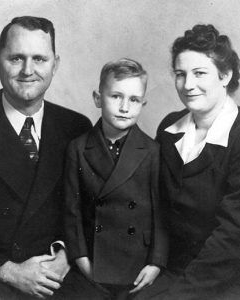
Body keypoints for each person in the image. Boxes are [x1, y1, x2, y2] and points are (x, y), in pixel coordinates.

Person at [0, 16, 106, 300]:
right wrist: (8, 270)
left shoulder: (77, 127)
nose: (27, 70)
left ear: (54, 65)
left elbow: (92, 212)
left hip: (59, 276)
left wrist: (66, 256)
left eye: (39, 59)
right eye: (16, 58)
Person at [156, 24, 240, 299]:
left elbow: (235, 235)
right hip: (173, 269)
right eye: (180, 74)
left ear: (225, 75)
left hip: (234, 278)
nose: (188, 85)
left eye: (200, 73)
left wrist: (181, 294)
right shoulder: (168, 128)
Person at [64, 58, 168, 300]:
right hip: (93, 260)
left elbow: (161, 215)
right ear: (98, 98)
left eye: (134, 100)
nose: (124, 107)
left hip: (139, 265)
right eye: (115, 97)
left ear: (143, 103)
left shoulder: (152, 150)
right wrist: (81, 260)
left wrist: (156, 263)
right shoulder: (78, 148)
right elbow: (72, 212)